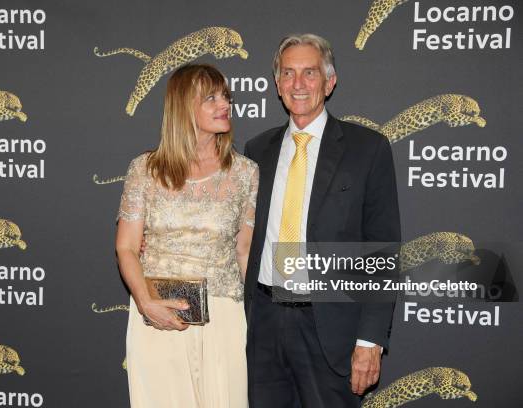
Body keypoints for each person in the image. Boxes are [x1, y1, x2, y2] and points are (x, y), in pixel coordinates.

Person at [243, 34, 401, 407]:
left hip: (330, 328)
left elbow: (382, 253)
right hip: (263, 323)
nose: (298, 84)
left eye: (309, 73)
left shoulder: (368, 149)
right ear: (278, 84)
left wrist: (369, 341)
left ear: (329, 82)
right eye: (288, 73)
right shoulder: (256, 151)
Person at [116, 64, 259, 408]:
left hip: (224, 317)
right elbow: (126, 247)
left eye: (226, 95)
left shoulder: (245, 172)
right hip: (157, 316)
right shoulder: (145, 169)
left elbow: (244, 250)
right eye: (210, 97)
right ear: (183, 107)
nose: (224, 103)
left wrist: (259, 322)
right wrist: (146, 303)